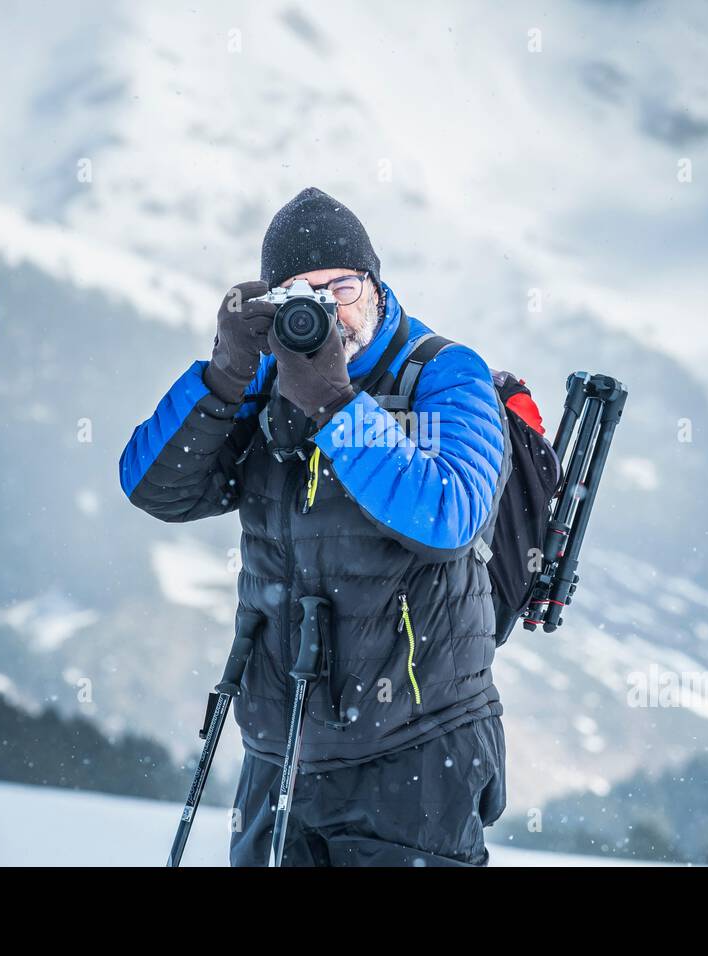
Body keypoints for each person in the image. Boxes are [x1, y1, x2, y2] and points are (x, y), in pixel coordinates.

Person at [119, 186, 508, 866]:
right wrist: (225, 373)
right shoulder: (266, 381)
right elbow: (158, 489)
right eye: (303, 292)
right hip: (281, 746)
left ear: (377, 284)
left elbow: (447, 513)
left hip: (417, 747)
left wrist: (336, 403)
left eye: (343, 286)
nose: (330, 308)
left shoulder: (444, 374)